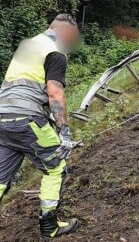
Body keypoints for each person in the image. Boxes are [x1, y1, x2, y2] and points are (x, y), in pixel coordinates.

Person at [0, 14, 80, 238]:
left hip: (2, 118)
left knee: (0, 178)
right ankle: (50, 226)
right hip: (27, 120)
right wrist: (64, 130)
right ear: (66, 32)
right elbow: (54, 93)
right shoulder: (55, 52)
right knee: (56, 168)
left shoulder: (28, 47)